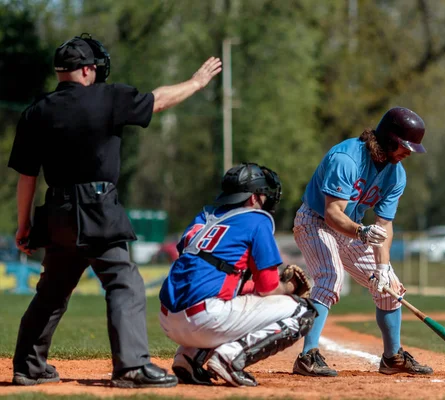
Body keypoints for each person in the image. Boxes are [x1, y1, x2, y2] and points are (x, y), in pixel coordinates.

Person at [7, 32, 222, 388]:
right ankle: (131, 367)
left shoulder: (36, 111)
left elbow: (27, 177)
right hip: (96, 207)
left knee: (52, 291)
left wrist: (23, 224)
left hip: (56, 210)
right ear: (88, 70)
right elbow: (159, 100)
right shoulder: (107, 97)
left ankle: (28, 366)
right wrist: (197, 82)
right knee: (124, 283)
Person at [291, 107, 434, 377]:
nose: (409, 153)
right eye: (405, 146)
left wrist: (382, 267)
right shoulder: (347, 158)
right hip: (316, 221)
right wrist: (362, 233)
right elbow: (333, 213)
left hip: (353, 229)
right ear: (390, 140)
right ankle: (307, 357)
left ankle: (392, 357)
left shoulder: (396, 173)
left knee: (389, 286)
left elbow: (384, 224)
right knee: (330, 277)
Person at [158, 162, 316, 387]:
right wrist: (289, 287)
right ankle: (230, 358)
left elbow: (213, 278)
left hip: (167, 318)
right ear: (252, 198)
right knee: (303, 311)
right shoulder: (257, 219)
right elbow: (268, 288)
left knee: (227, 298)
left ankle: (188, 357)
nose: (265, 200)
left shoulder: (205, 216)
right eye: (262, 195)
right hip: (205, 320)